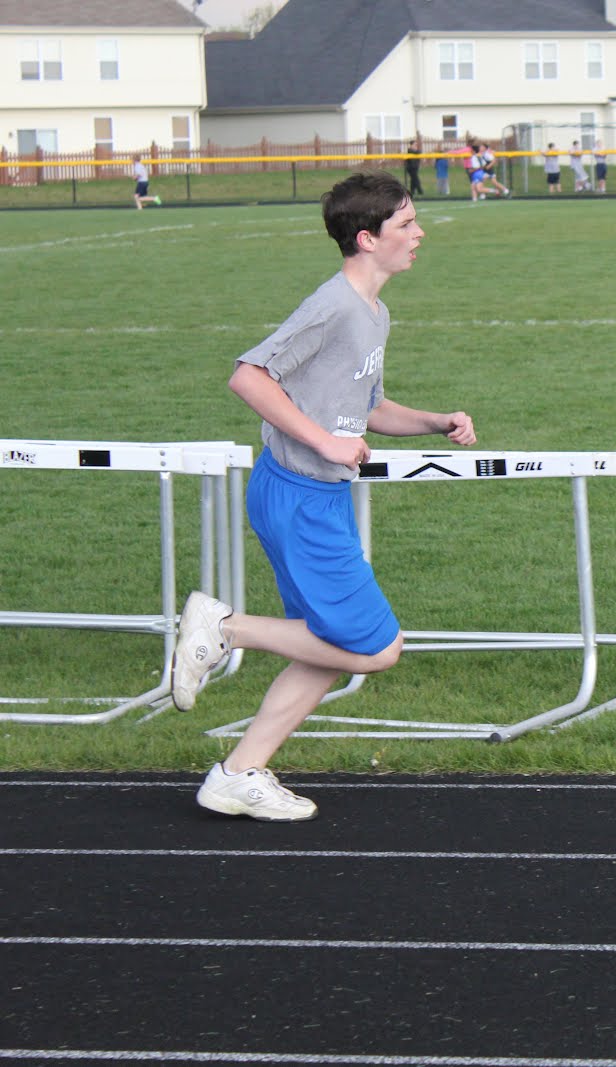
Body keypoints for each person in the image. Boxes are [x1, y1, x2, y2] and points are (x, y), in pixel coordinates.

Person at [171, 171, 476, 822]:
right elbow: (249, 377)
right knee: (376, 646)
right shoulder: (333, 305)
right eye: (406, 224)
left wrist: (434, 421)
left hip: (316, 496)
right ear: (367, 239)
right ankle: (223, 628)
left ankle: (238, 772)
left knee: (326, 644)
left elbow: (365, 408)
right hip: (300, 497)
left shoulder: (373, 312)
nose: (420, 233)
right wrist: (327, 443)